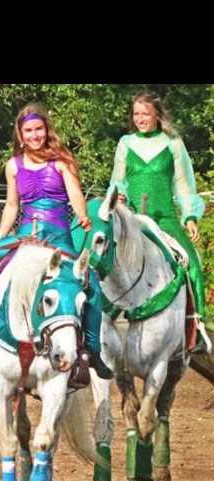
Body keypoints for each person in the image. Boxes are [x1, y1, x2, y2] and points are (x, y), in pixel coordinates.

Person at [0, 104, 114, 379]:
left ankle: (93, 350)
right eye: (28, 130)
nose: (34, 135)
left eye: (39, 129)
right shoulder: (12, 166)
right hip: (25, 235)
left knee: (92, 285)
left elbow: (75, 195)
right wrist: (1, 235)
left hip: (58, 238)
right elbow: (12, 206)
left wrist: (83, 215)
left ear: (46, 130)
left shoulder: (62, 161)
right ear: (20, 134)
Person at [108, 90, 210, 354]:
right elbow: (117, 181)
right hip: (132, 220)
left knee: (192, 263)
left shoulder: (172, 143)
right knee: (103, 259)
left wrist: (189, 216)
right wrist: (117, 195)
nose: (140, 119)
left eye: (146, 114)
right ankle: (100, 324)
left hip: (164, 218)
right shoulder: (125, 143)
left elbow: (184, 183)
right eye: (136, 114)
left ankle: (195, 327)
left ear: (157, 115)